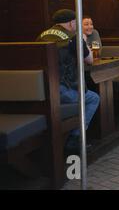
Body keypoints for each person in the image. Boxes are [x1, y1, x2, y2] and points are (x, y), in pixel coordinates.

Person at [36, 9, 100, 153]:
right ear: (72, 22)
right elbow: (89, 60)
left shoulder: (41, 36)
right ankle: (75, 139)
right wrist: (82, 39)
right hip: (61, 91)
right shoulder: (73, 38)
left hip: (40, 90)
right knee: (93, 98)